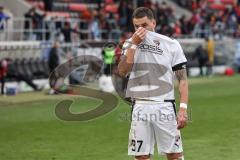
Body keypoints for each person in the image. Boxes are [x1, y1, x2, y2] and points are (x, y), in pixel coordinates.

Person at [118, 7, 188, 160]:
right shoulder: (129, 44)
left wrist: (183, 108)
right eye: (136, 26)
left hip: (165, 105)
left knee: (174, 154)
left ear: (154, 23)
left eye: (144, 25)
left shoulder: (171, 44)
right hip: (140, 106)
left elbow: (182, 79)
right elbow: (123, 71)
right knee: (141, 156)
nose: (140, 30)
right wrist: (134, 45)